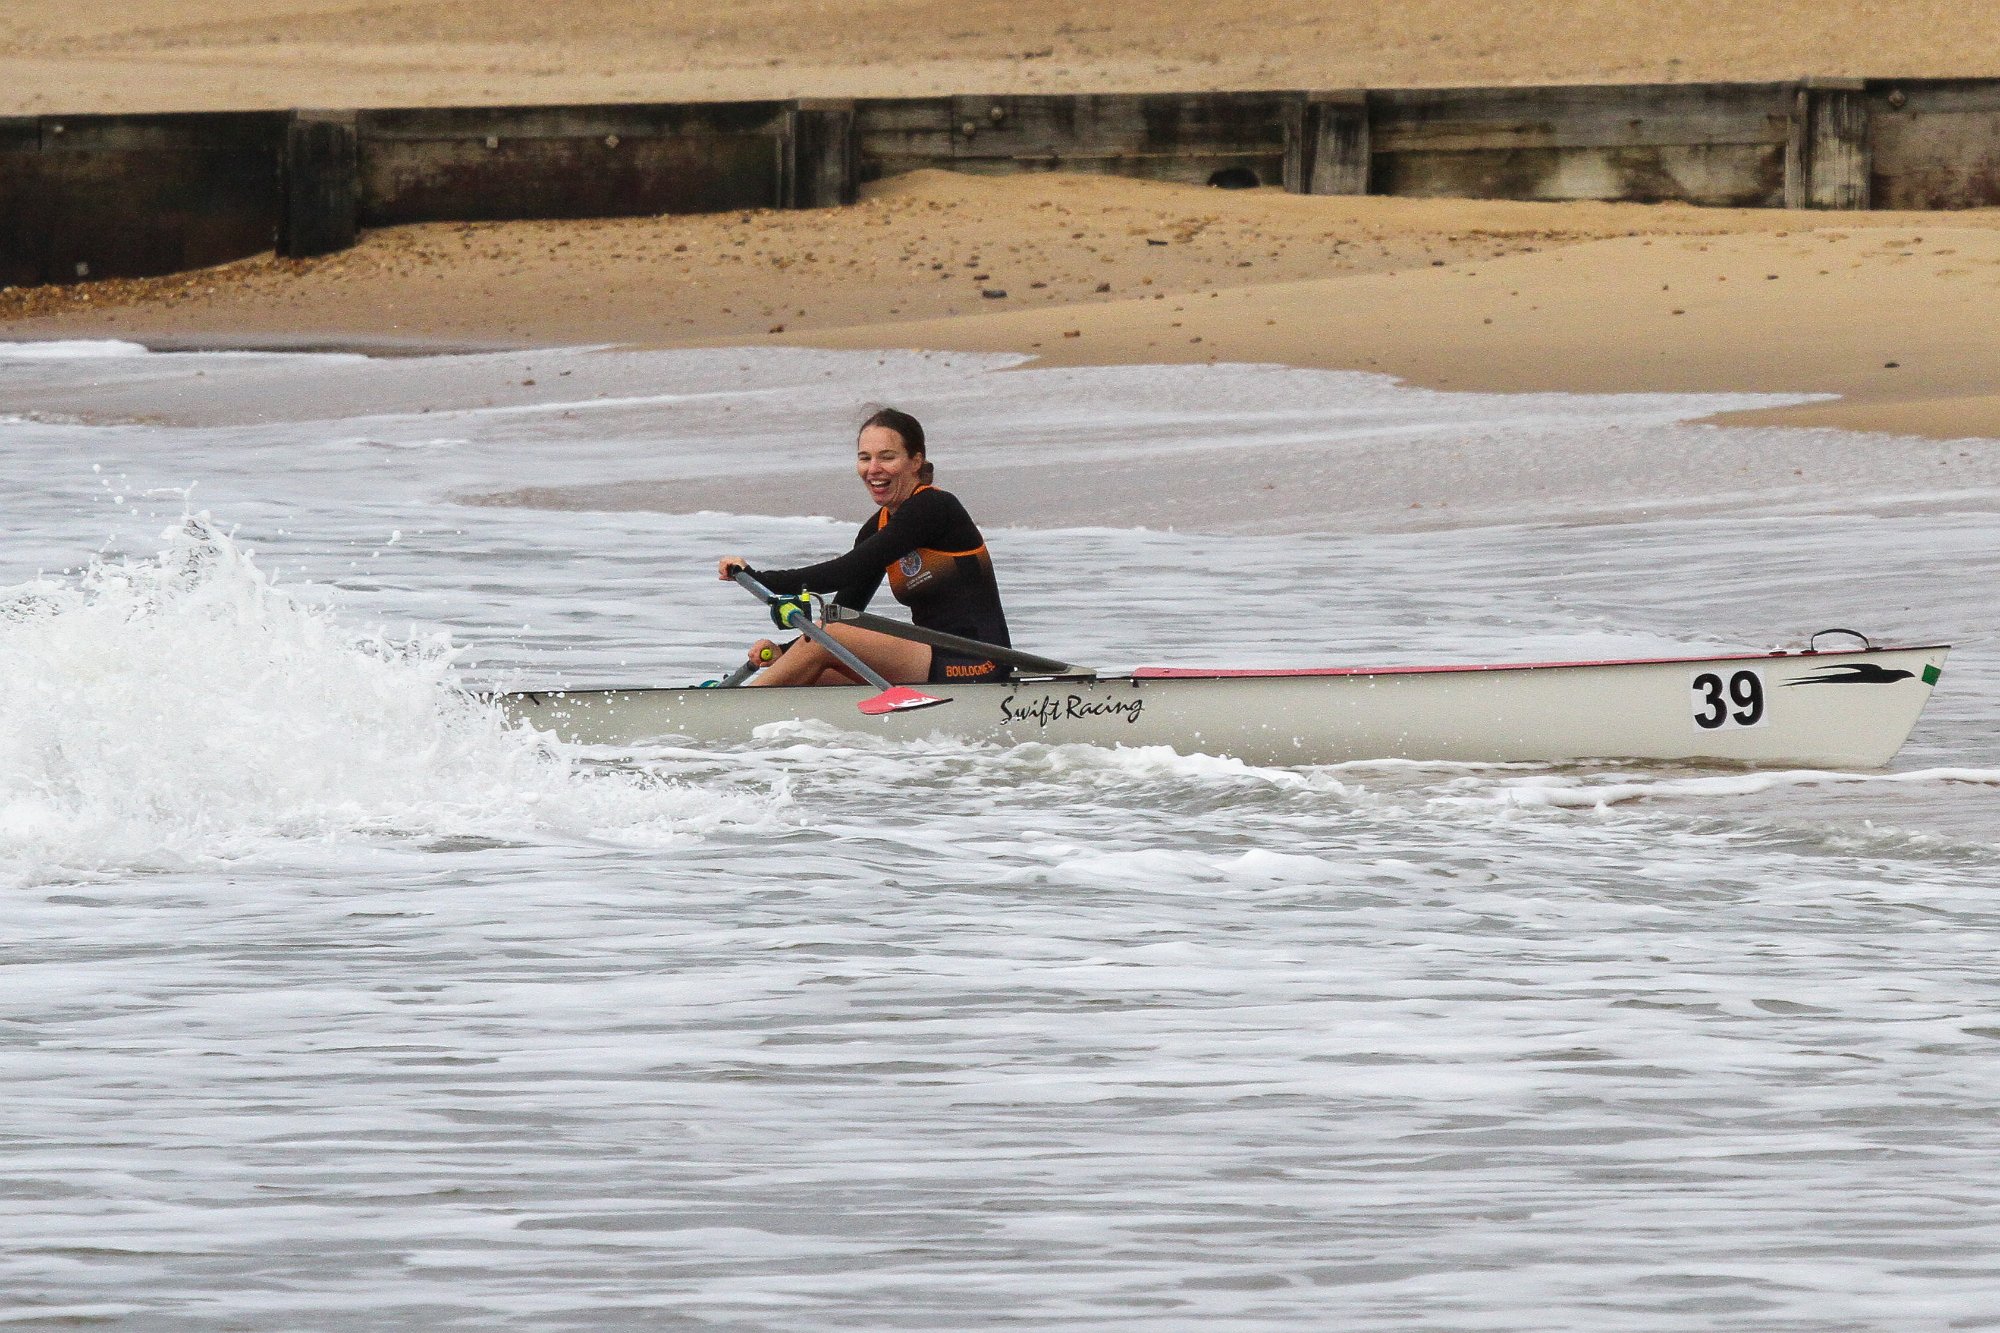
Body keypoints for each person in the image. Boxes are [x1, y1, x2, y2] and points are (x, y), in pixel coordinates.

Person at [716, 408, 1012, 688]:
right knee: (812, 668)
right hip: (931, 659)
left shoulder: (934, 507)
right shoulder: (878, 526)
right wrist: (785, 650)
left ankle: (722, 714)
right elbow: (844, 611)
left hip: (979, 663)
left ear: (915, 461)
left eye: (887, 457)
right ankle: (740, 722)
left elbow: (844, 572)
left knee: (827, 636)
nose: (873, 469)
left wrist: (758, 577)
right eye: (864, 458)